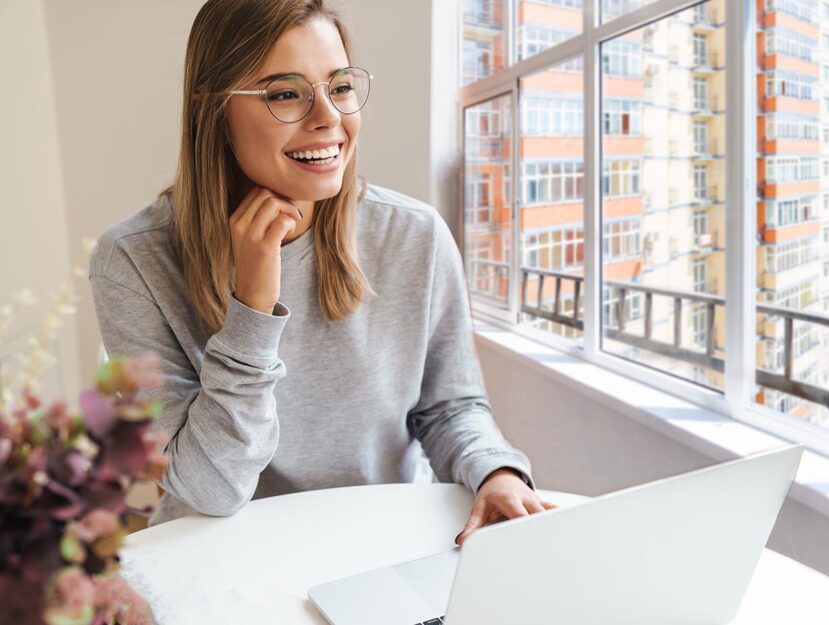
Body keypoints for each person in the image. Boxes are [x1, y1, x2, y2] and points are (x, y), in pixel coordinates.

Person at [88, 0, 554, 542]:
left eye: (340, 87)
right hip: (217, 553)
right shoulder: (132, 261)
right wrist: (252, 313)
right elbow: (210, 490)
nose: (328, 117)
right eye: (286, 93)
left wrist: (494, 470)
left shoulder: (414, 234)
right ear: (211, 109)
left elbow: (448, 407)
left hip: (378, 541)